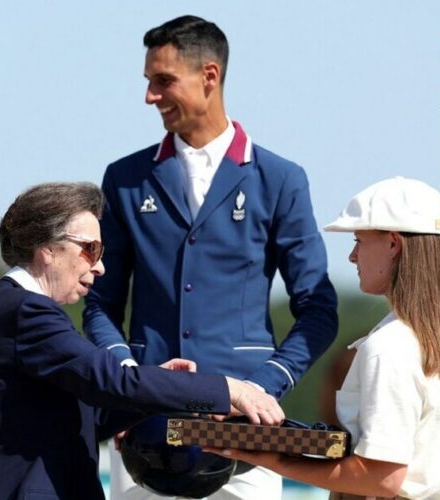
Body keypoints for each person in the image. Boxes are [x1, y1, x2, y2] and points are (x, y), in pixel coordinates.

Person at [83, 15, 338, 499]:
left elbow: (319, 310)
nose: (150, 97)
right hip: (144, 429)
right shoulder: (124, 177)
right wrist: (127, 379)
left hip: (244, 434)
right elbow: (99, 305)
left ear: (210, 75)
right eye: (148, 82)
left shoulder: (280, 179)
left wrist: (262, 388)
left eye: (163, 81)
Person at [0, 182, 284, 500]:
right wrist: (229, 390)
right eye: (91, 249)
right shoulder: (26, 312)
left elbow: (85, 414)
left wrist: (157, 394)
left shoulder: (7, 307)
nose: (100, 267)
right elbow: (113, 381)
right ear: (48, 249)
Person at [209, 177, 440, 499]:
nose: (353, 256)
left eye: (359, 241)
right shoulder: (436, 340)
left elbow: (382, 477)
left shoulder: (390, 347)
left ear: (394, 244)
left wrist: (273, 459)